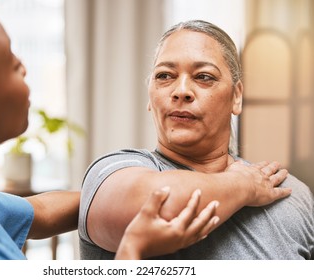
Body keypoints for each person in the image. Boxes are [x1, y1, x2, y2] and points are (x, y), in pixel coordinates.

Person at [0, 1, 221, 260]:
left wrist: (112, 193)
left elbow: (39, 212)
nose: (24, 67)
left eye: (204, 76)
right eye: (11, 64)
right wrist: (132, 247)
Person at [79, 20, 314, 260]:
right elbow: (157, 209)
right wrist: (243, 184)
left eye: (203, 76)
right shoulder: (111, 172)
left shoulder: (291, 194)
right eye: (165, 76)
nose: (181, 91)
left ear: (236, 96)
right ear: (150, 95)